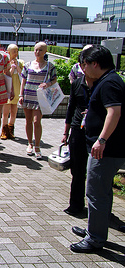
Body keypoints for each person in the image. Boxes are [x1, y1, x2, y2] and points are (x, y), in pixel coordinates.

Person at [70, 46, 125, 253]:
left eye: (85, 64)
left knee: (96, 193)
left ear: (95, 63)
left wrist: (101, 139)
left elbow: (114, 113)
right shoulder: (109, 79)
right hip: (106, 148)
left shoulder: (109, 82)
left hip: (106, 150)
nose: (83, 69)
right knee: (100, 192)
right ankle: (95, 229)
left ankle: (95, 239)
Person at [61, 49, 95, 217]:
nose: (84, 67)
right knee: (77, 170)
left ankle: (99, 209)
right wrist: (65, 132)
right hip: (77, 129)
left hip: (96, 131)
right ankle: (75, 205)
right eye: (83, 64)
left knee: (95, 171)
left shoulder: (103, 84)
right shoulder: (77, 84)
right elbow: (71, 108)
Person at [19, 42, 57, 160]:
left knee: (37, 121)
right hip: (28, 95)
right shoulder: (28, 65)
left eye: (40, 50)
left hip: (39, 97)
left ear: (45, 51)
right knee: (28, 120)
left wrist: (48, 83)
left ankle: (37, 145)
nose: (37, 52)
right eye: (36, 50)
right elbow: (23, 81)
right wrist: (21, 95)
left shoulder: (50, 66)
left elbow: (55, 79)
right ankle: (30, 143)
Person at [0, 44, 24, 140]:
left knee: (14, 111)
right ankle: (4, 131)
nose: (15, 53)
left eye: (17, 51)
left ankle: (11, 130)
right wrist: (12, 67)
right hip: (8, 88)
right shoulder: (5, 62)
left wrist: (17, 66)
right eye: (13, 51)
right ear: (8, 52)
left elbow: (22, 74)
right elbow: (5, 73)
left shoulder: (21, 62)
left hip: (17, 88)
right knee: (5, 112)